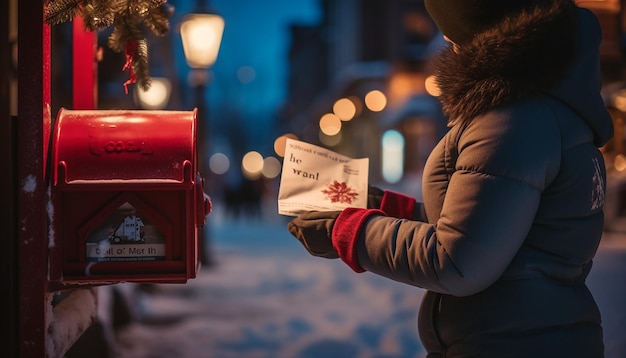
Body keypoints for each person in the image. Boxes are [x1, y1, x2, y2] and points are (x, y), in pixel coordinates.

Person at [287, 0, 614, 357]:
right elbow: (488, 226)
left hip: (510, 342)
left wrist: (351, 233)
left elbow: (459, 261)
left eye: (452, 30)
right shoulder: (535, 109)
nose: (445, 39)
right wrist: (387, 207)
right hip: (529, 334)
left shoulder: (511, 121)